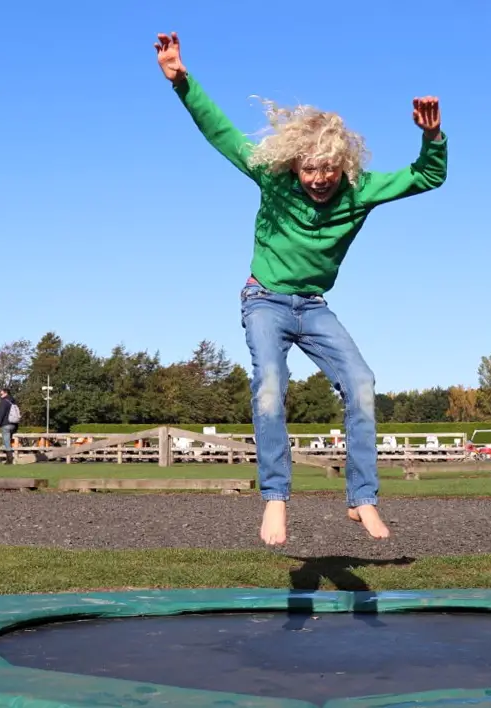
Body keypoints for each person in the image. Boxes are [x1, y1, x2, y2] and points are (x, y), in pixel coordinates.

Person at [154, 31, 447, 546]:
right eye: (309, 168)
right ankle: (274, 498)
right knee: (270, 385)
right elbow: (219, 131)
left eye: (328, 169)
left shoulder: (362, 192)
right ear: (294, 164)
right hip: (263, 300)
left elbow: (427, 177)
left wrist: (433, 137)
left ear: (344, 166)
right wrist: (182, 81)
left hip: (314, 308)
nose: (318, 179)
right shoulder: (273, 178)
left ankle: (363, 500)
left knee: (362, 383)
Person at [0, 388, 20, 465]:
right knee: (8, 441)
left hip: (6, 424)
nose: (0, 395)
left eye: (1, 394)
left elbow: (1, 414)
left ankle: (10, 459)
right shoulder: (13, 402)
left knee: (6, 442)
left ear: (6, 393)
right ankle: (10, 458)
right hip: (14, 424)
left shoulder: (4, 402)